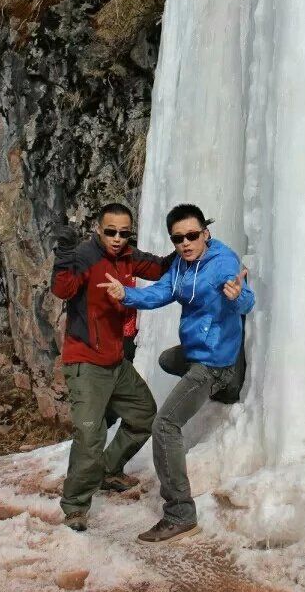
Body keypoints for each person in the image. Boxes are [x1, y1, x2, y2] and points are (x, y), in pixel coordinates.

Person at [102, 203, 255, 544]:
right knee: (167, 360)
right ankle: (222, 387)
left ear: (206, 232)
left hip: (213, 361)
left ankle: (180, 514)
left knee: (165, 426)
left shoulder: (222, 264)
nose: (185, 243)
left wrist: (238, 297)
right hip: (197, 350)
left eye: (192, 235)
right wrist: (126, 294)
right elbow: (161, 292)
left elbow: (245, 299)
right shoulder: (183, 267)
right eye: (178, 238)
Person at [51, 202, 174, 532]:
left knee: (144, 416)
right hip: (85, 361)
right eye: (111, 232)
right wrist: (63, 251)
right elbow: (62, 288)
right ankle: (75, 506)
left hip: (115, 361)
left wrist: (190, 241)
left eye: (124, 232)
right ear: (98, 229)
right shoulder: (84, 257)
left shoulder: (130, 257)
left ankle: (108, 469)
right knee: (90, 435)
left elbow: (162, 267)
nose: (118, 238)